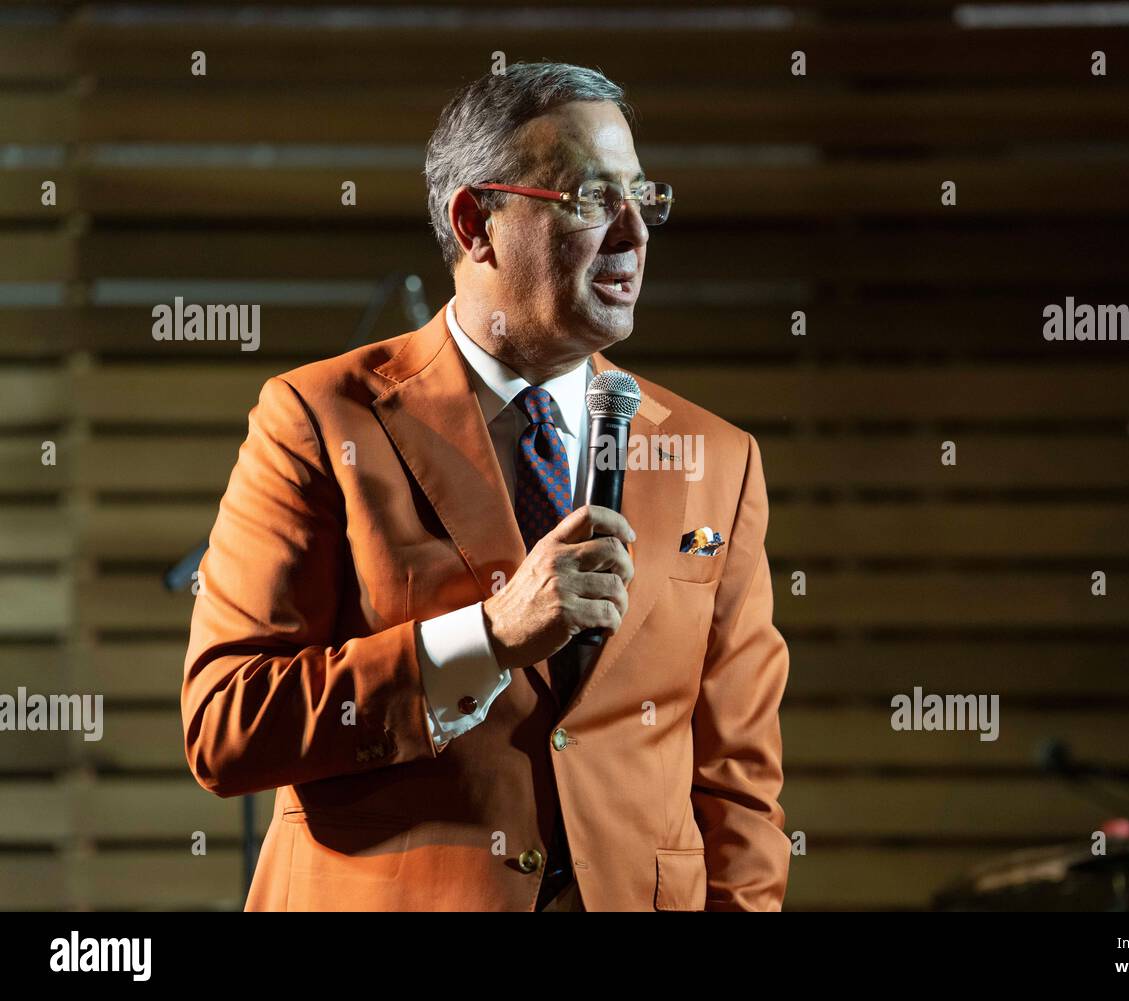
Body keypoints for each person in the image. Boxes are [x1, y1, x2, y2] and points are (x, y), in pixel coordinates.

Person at [181, 61, 790, 911]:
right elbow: (227, 724)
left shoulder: (715, 458)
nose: (633, 233)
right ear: (477, 224)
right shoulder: (318, 420)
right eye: (589, 198)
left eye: (643, 197)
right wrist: (487, 638)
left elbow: (740, 788)